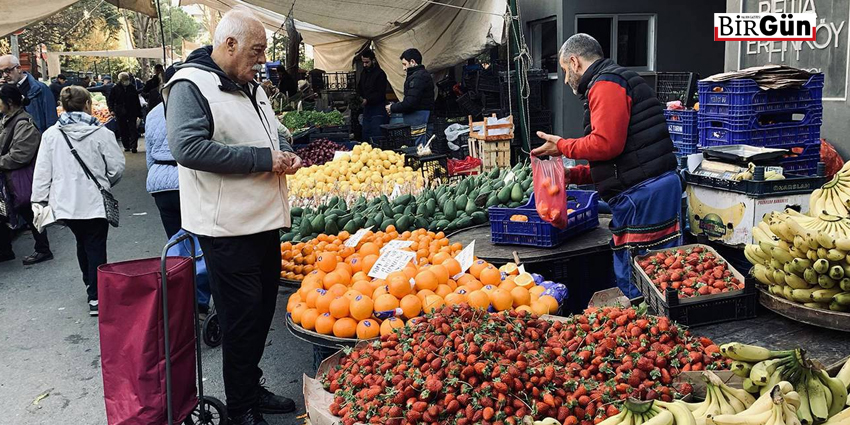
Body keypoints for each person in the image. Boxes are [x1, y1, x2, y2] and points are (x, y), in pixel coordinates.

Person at [163, 7, 301, 425]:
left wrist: (283, 145)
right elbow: (188, 149)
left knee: (259, 315)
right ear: (229, 44)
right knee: (241, 320)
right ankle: (240, 408)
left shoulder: (249, 85)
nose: (261, 59)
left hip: (263, 221)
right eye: (256, 51)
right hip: (227, 228)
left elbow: (263, 130)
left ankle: (250, 388)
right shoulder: (191, 85)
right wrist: (263, 158)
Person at [531, 34, 681, 298]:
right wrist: (573, 174)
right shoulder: (615, 80)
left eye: (565, 71)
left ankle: (652, 328)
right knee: (659, 272)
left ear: (575, 62)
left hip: (643, 194)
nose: (566, 80)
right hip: (650, 187)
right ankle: (657, 324)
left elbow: (606, 144)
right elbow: (623, 156)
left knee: (640, 274)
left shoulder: (606, 83)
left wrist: (563, 146)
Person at [32, 86, 125, 316]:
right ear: (87, 105)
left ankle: (90, 285)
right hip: (95, 201)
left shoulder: (52, 135)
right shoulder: (102, 133)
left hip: (65, 203)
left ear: (63, 106)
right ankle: (96, 295)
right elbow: (116, 168)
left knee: (82, 243)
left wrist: (39, 200)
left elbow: (43, 171)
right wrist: (105, 182)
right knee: (95, 246)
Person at [0, 84, 53, 264]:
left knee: (30, 212)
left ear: (9, 102)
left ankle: (43, 249)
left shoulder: (24, 123)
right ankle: (6, 249)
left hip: (20, 177)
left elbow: (21, 155)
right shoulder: (8, 119)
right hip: (10, 177)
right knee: (7, 212)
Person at [386, 48, 434, 146]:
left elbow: (410, 102)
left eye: (404, 64)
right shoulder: (417, 76)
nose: (404, 68)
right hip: (417, 117)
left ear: (412, 62)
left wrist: (392, 107)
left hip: (419, 118)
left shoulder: (418, 77)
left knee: (419, 147)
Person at [0, 55, 58, 133]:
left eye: (7, 70)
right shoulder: (4, 90)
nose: (4, 75)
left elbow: (51, 121)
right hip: (12, 141)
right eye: (1, 72)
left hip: (37, 140)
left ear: (19, 68)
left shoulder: (40, 89)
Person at [357, 48, 389, 143]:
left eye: (367, 62)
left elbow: (380, 93)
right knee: (366, 134)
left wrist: (367, 100)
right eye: (363, 62)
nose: (364, 65)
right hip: (367, 110)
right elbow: (360, 87)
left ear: (373, 60)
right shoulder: (364, 73)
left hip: (378, 110)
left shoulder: (380, 74)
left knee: (377, 136)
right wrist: (359, 97)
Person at [108, 72, 142, 152]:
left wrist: (139, 113)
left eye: (127, 79)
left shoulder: (132, 88)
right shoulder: (115, 88)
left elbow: (136, 101)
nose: (126, 81)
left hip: (131, 111)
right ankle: (126, 145)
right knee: (123, 129)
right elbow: (111, 100)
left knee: (133, 129)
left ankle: (134, 146)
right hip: (120, 112)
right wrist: (111, 110)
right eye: (125, 80)